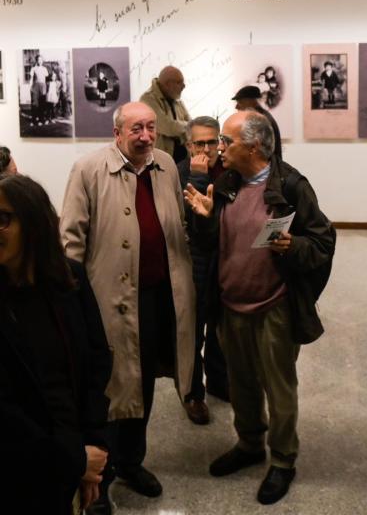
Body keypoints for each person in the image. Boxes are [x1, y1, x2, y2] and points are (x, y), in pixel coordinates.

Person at [184, 111, 336, 506]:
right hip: (230, 304)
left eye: (227, 141)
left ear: (253, 147)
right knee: (241, 383)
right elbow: (211, 244)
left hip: (275, 306)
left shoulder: (291, 185)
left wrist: (295, 246)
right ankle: (250, 443)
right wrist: (205, 219)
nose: (219, 148)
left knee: (278, 388)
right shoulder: (226, 184)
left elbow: (322, 241)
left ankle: (283, 460)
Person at [60, 101, 195, 514]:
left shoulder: (166, 166)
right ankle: (98, 481)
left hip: (156, 297)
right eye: (136, 129)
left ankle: (132, 462)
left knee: (143, 384)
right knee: (106, 391)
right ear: (117, 133)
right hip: (107, 302)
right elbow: (70, 241)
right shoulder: (88, 170)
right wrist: (71, 303)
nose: (146, 136)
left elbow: (178, 225)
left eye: (151, 127)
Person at [0, 173, 111, 515]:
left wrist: (92, 448)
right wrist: (75, 460)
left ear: (35, 223)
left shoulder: (70, 279)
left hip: (72, 450)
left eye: (3, 219)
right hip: (21, 469)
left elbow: (96, 364)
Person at [177, 116, 229, 425]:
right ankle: (193, 394)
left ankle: (220, 383)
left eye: (212, 142)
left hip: (222, 264)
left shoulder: (229, 171)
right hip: (192, 265)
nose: (206, 149)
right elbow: (194, 224)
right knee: (192, 334)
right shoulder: (178, 173)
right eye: (200, 143)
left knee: (220, 331)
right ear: (188, 145)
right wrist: (198, 178)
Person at [139, 66, 190, 162]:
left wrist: (190, 126)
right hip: (161, 161)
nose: (184, 86)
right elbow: (167, 127)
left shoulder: (176, 99)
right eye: (179, 82)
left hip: (182, 159)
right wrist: (188, 126)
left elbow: (193, 124)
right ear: (167, 84)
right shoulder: (148, 99)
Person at [232, 85, 282, 158]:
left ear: (252, 101)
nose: (236, 107)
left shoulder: (260, 121)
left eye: (240, 102)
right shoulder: (262, 117)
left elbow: (262, 152)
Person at [29, 53, 48, 127]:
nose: (40, 61)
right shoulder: (33, 69)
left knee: (42, 103)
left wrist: (45, 89)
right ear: (36, 60)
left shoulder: (44, 69)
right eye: (38, 59)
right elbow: (31, 79)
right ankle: (34, 120)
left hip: (42, 86)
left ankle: (41, 120)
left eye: (41, 60)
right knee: (35, 104)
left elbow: (46, 79)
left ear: (42, 61)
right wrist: (30, 87)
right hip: (35, 86)